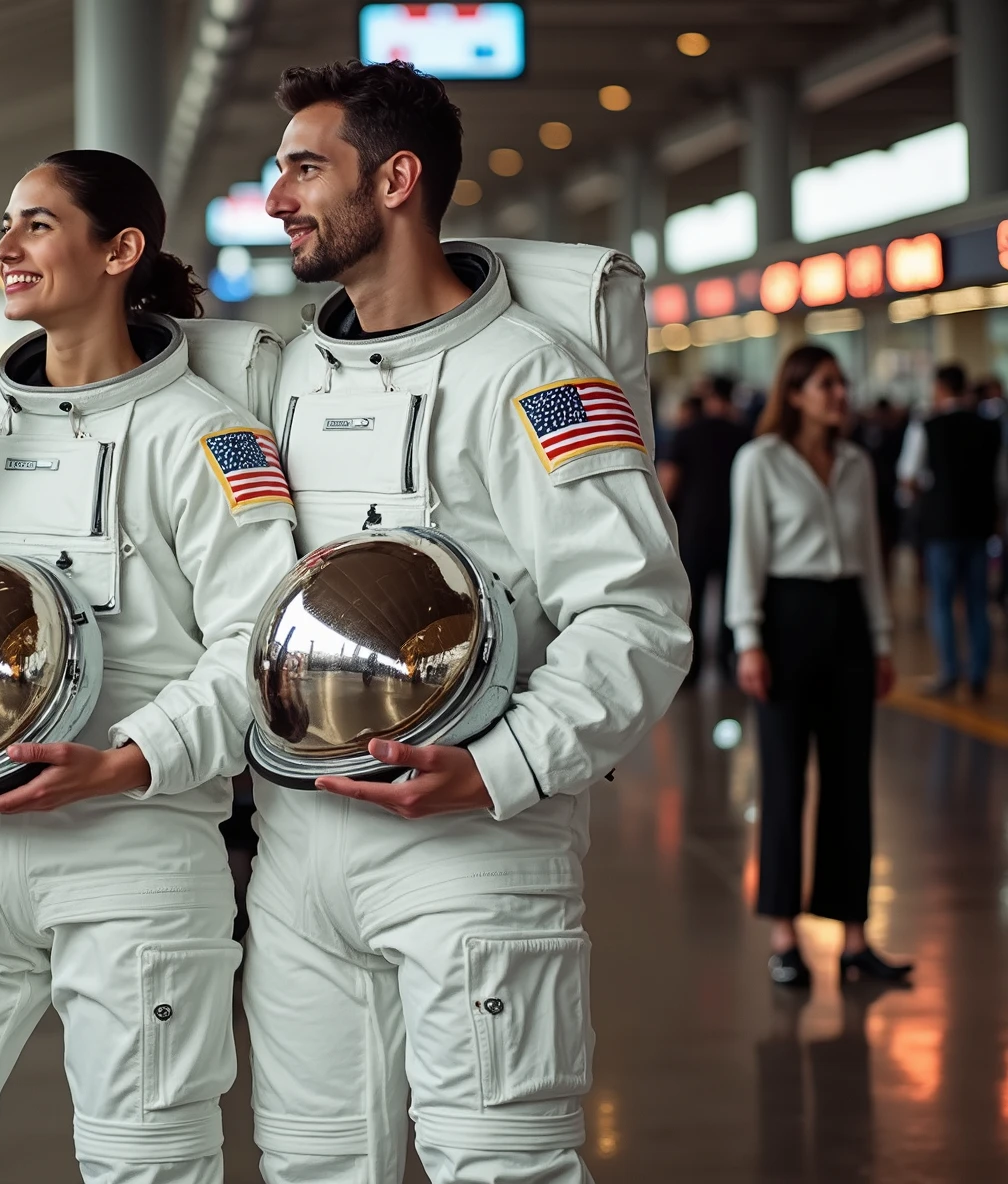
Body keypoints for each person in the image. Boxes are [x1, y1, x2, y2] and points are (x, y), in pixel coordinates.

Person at [252, 61, 691, 1184]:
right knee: (309, 1165)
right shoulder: (290, 377)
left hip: (473, 845)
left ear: (396, 180)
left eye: (304, 169)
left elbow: (633, 612)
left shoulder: (534, 376)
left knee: (500, 1165)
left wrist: (499, 767)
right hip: (298, 846)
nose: (277, 199)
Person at [0, 149, 298, 1183]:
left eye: (36, 224)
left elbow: (258, 643)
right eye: (7, 222)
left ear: (120, 251)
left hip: (131, 853)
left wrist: (126, 760)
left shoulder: (207, 437)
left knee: (147, 1162)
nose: (6, 245)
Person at [727, 345, 910, 989]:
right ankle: (785, 935)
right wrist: (749, 639)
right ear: (796, 393)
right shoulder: (760, 460)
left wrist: (881, 641)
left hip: (849, 622)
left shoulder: (856, 463)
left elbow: (871, 559)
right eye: (827, 384)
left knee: (850, 781)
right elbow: (747, 552)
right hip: (787, 618)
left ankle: (855, 939)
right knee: (784, 781)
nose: (841, 394)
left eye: (841, 383)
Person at [897, 363, 999, 695]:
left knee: (941, 601)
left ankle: (949, 671)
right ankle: (978, 672)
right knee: (977, 602)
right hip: (979, 524)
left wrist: (927, 495)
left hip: (941, 525)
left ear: (940, 388)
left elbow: (908, 475)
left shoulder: (927, 425)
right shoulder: (988, 426)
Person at [658, 374, 750, 685]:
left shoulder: (687, 433)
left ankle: (692, 665)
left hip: (695, 527)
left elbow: (668, 484)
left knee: (691, 597)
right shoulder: (744, 434)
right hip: (734, 528)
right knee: (730, 596)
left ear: (709, 396)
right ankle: (728, 661)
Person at [850, 397, 907, 573]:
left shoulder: (894, 433)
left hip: (886, 491)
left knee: (887, 535)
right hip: (877, 490)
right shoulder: (859, 434)